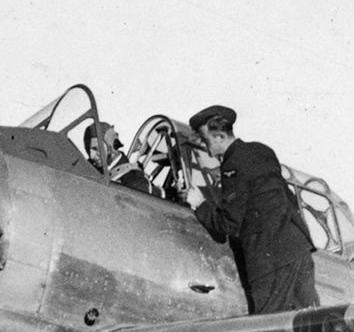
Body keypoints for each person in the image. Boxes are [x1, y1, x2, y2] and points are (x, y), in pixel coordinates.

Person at [184, 105, 319, 314]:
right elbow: (273, 194)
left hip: (269, 261)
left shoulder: (232, 166)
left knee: (269, 331)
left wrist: (199, 203)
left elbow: (229, 224)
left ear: (219, 137)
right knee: (309, 326)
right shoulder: (260, 150)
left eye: (205, 139)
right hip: (298, 249)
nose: (204, 145)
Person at [84, 120, 159, 196]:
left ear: (111, 146)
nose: (91, 156)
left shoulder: (133, 182)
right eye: (88, 150)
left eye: (96, 149)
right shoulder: (90, 172)